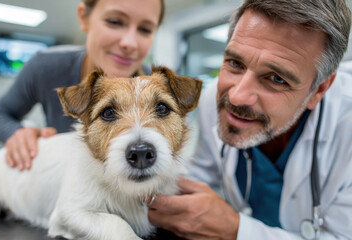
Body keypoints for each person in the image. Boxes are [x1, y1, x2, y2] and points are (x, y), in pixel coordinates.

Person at [148, 0, 352, 239]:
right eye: (235, 63)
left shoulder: (345, 123)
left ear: (319, 89)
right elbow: (200, 177)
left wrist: (235, 229)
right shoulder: (211, 101)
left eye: (276, 78)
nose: (236, 96)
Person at [0, 0, 164, 171]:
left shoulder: (156, 86)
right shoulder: (46, 66)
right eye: (114, 22)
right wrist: (16, 132)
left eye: (145, 29)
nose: (129, 43)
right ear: (84, 18)